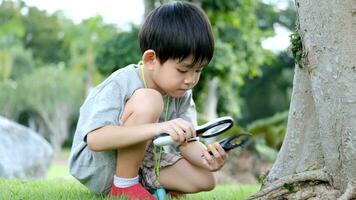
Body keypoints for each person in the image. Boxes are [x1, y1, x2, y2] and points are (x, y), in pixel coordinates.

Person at [68, 1, 228, 199]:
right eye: (183, 70)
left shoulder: (182, 93)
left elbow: (189, 142)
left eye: (198, 70)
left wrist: (208, 159)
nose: (190, 80)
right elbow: (95, 140)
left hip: (147, 161)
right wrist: (158, 128)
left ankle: (145, 186)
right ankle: (124, 187)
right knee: (150, 99)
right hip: (101, 164)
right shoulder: (122, 82)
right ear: (151, 59)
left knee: (207, 179)